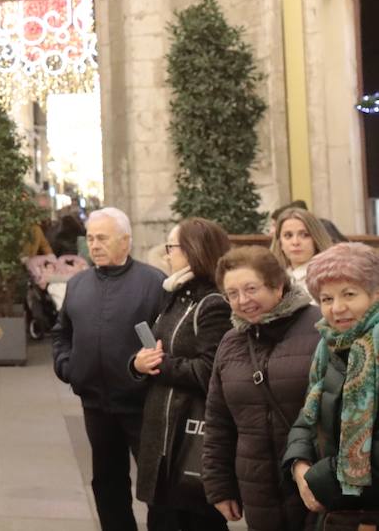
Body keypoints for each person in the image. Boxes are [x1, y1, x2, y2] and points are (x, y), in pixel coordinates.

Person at [52, 206, 166, 531]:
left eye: (102, 238)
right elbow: (62, 332)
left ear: (125, 242)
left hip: (141, 405)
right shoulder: (78, 285)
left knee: (156, 486)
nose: (94, 245)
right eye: (90, 238)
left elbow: (168, 340)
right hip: (96, 405)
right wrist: (68, 367)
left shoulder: (153, 283)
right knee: (107, 484)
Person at [202, 246, 321, 531]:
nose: (243, 301)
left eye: (251, 289)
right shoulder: (231, 342)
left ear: (278, 286)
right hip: (257, 487)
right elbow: (218, 420)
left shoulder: (319, 327)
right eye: (232, 294)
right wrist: (219, 485)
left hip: (312, 482)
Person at [129, 218, 232, 530]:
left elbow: (209, 370)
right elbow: (161, 348)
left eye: (170, 248)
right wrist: (138, 363)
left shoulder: (212, 303)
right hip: (162, 433)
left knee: (193, 520)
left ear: (192, 251)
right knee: (162, 518)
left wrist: (160, 365)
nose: (167, 255)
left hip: (190, 436)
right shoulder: (176, 294)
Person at [283, 243, 379, 519]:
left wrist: (321, 480)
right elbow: (307, 417)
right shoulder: (328, 347)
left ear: (375, 294)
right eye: (326, 299)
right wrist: (298, 465)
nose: (337, 308)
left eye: (349, 294)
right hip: (337, 510)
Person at [270, 207, 336, 296]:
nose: (295, 242)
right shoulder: (274, 278)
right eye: (288, 235)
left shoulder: (329, 277)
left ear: (316, 239)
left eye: (304, 235)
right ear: (280, 242)